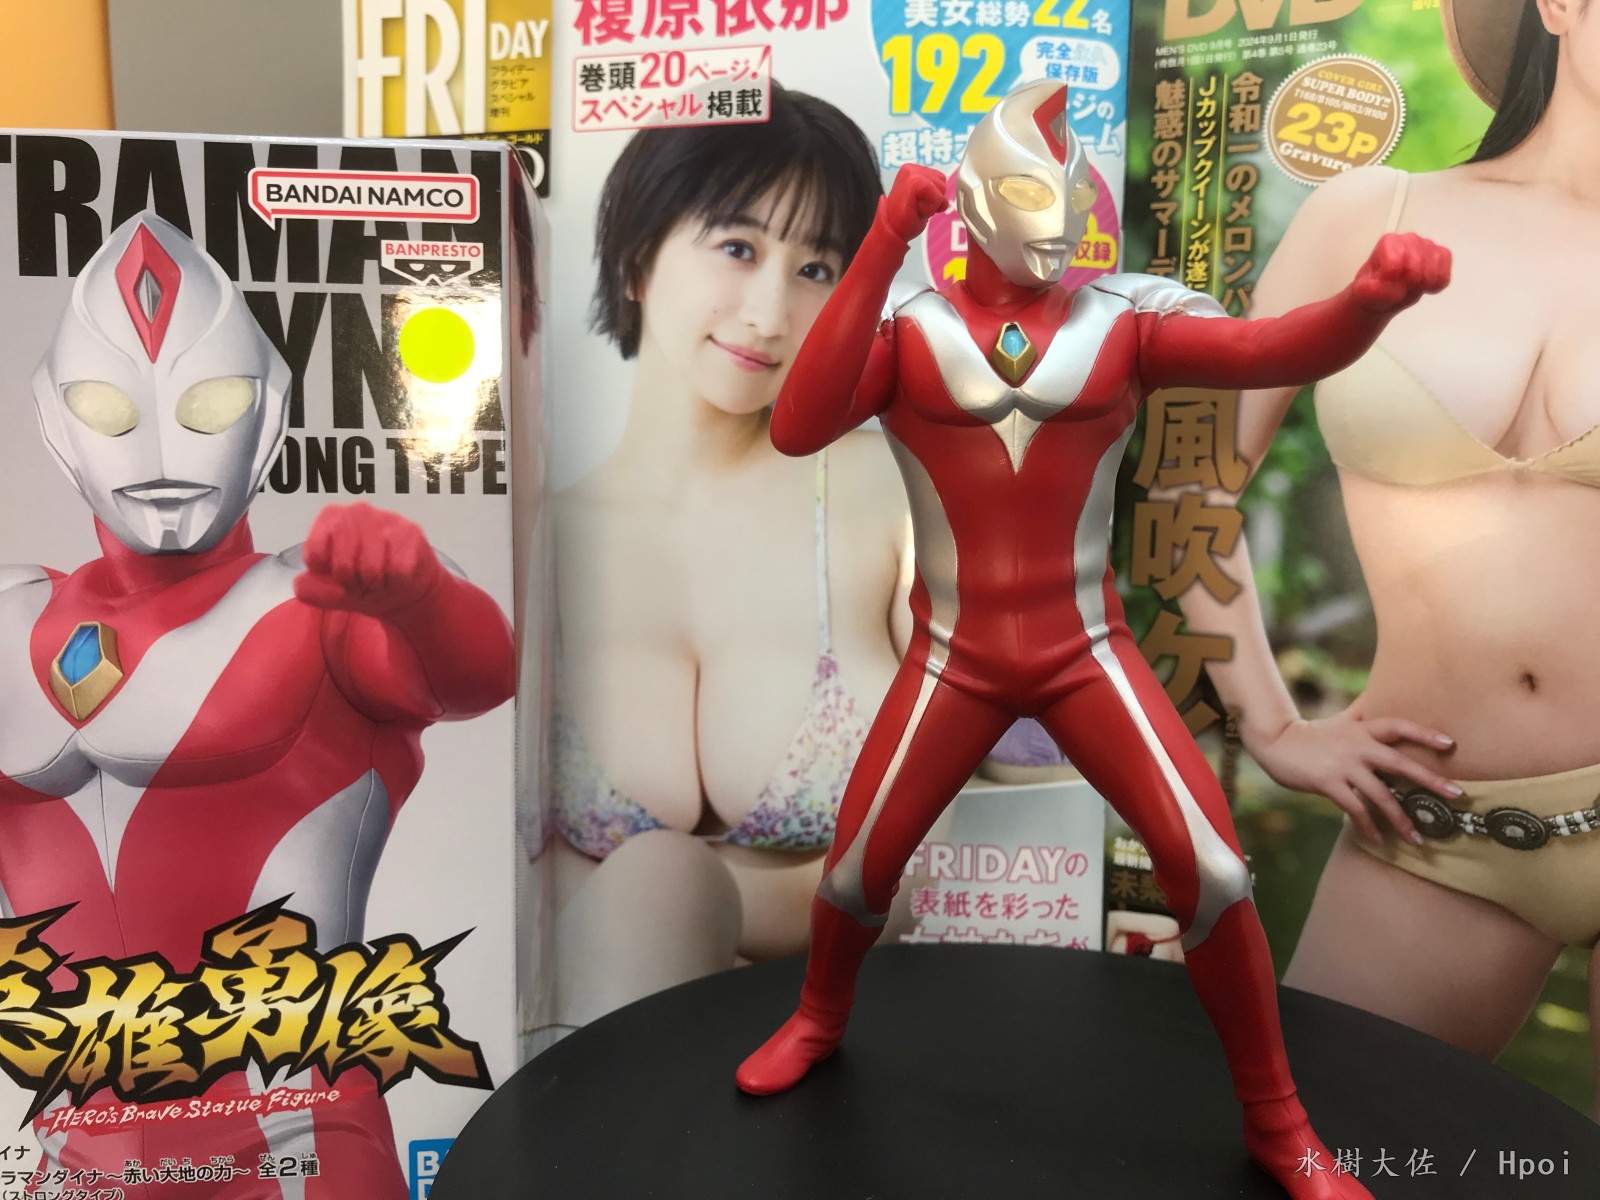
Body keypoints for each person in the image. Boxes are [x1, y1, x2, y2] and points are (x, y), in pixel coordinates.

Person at [734, 78, 1448, 1200]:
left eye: (1067, 211)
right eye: (1032, 208)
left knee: (1215, 871)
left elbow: (1272, 348)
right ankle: (819, 1018)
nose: (1058, 238)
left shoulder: (1121, 320)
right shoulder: (910, 331)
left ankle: (1279, 1122)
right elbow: (796, 426)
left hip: (1086, 652)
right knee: (860, 869)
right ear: (976, 205)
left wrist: (1370, 303)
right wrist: (881, 239)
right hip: (953, 656)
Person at [1, 213, 515, 1197]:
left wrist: (415, 593)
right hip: (68, 1153)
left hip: (294, 1133)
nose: (160, 447)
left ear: (268, 408)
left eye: (210, 402)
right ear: (55, 418)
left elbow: (477, 676)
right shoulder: (8, 614)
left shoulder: (316, 600)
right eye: (109, 406)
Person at [1170, 0, 1600, 1115]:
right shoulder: (1370, 214)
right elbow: (1191, 479)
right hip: (1432, 824)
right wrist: (1272, 727)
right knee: (1314, 1147)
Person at [550, 84, 914, 1026]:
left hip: (846, 1042)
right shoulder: (534, 542)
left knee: (657, 882)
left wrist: (684, 900)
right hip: (599, 1056)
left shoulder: (894, 491)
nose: (769, 312)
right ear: (637, 256)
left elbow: (923, 857)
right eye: (739, 248)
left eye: (817, 267)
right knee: (655, 885)